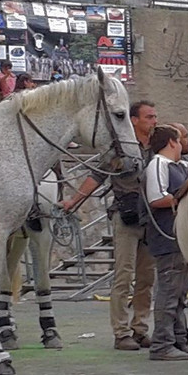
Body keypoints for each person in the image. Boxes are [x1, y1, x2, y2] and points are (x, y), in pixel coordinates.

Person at [62, 100, 158, 351]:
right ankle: (121, 331)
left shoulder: (158, 145)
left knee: (147, 278)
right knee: (123, 276)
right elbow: (97, 175)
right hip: (126, 215)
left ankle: (140, 328)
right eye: (149, 117)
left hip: (151, 217)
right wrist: (74, 200)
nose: (154, 121)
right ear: (134, 120)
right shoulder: (120, 149)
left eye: (154, 116)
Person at [142, 125, 188, 361]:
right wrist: (183, 196)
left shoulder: (178, 166)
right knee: (169, 290)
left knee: (179, 291)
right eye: (180, 139)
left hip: (178, 237)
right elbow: (156, 198)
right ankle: (162, 342)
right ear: (172, 142)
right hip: (166, 236)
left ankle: (179, 339)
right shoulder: (158, 165)